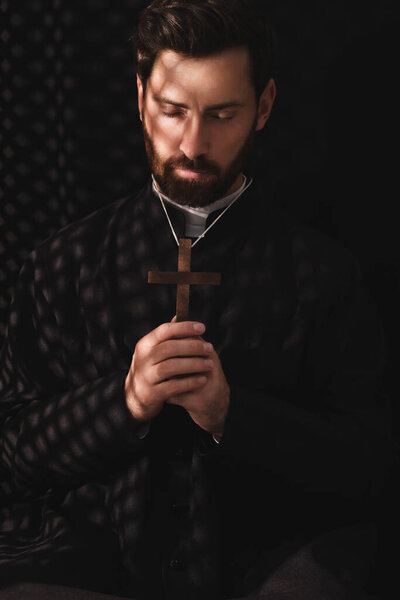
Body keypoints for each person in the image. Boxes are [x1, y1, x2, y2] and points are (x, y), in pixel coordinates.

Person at [0, 1, 395, 598]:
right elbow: (10, 456)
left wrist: (232, 416)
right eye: (172, 111)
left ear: (263, 107)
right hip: (82, 557)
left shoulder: (324, 276)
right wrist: (123, 400)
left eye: (222, 114)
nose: (192, 143)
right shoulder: (61, 265)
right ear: (140, 99)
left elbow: (370, 468)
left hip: (270, 557)